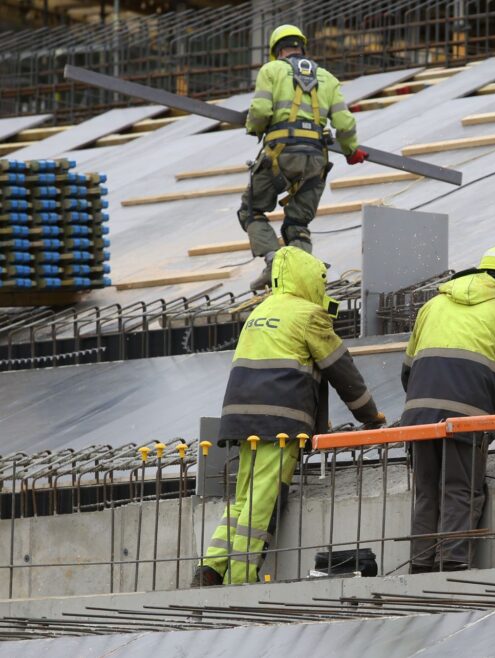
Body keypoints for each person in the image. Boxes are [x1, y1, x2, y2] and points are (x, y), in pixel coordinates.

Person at [192, 246, 385, 586]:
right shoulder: (308, 314)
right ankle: (239, 580)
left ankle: (210, 568)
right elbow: (342, 370)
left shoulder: (261, 310)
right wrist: (369, 415)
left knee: (243, 497)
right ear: (309, 278)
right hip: (279, 422)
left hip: (240, 419)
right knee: (261, 502)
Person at [401, 246, 495, 573]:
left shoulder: (432, 304)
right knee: (460, 489)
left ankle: (420, 565)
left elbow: (407, 369)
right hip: (467, 415)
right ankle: (453, 563)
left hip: (418, 414)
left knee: (426, 492)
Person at [241, 24, 368, 291]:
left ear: (276, 51)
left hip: (280, 153)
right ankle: (303, 278)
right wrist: (351, 150)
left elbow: (261, 111)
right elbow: (344, 124)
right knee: (297, 221)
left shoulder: (271, 70)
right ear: (302, 47)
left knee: (252, 210)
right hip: (315, 159)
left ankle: (273, 259)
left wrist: (253, 128)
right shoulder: (328, 79)